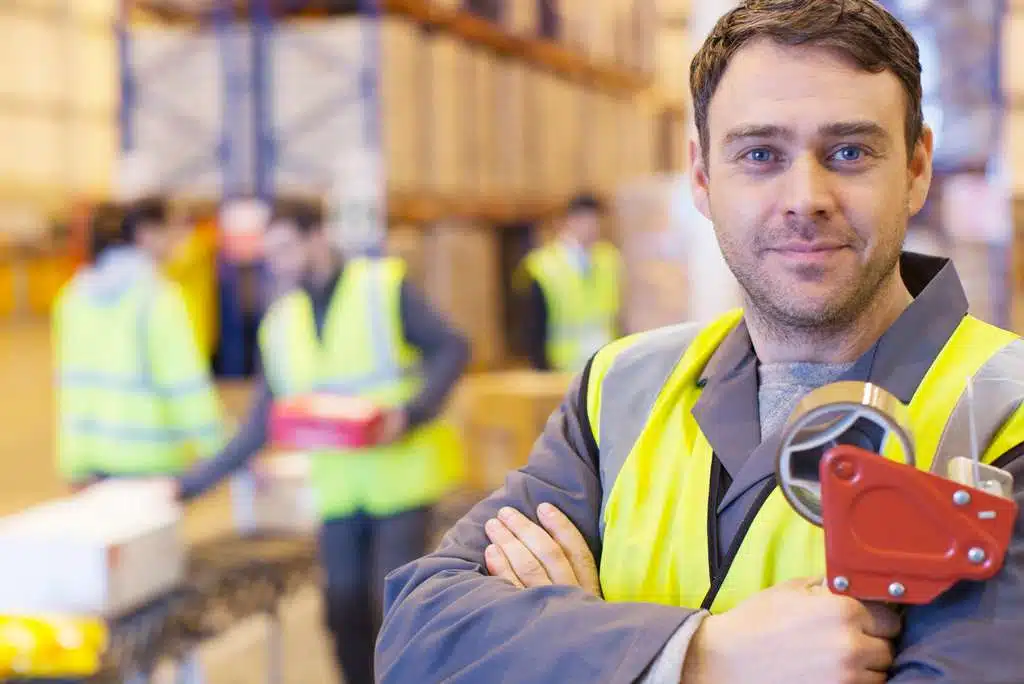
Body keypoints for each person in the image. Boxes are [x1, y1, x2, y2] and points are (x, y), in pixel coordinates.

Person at [375, 1, 1024, 682]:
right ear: (703, 176)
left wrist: (584, 645)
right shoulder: (621, 389)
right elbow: (422, 640)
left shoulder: (1001, 417)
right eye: (760, 154)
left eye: (849, 152)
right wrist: (701, 657)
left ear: (917, 167)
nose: (805, 196)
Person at [174, 197, 470, 684]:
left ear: (317, 237)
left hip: (400, 480)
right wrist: (187, 486)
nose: (279, 263)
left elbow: (452, 348)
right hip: (337, 489)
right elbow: (258, 426)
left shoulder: (381, 289)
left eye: (287, 248)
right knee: (342, 607)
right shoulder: (281, 324)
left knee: (393, 606)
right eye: (272, 254)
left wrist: (410, 413)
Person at [53, 197, 224, 490]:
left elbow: (71, 388)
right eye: (173, 229)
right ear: (146, 233)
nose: (179, 240)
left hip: (93, 466)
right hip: (152, 465)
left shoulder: (73, 298)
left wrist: (73, 462)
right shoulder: (157, 299)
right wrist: (218, 451)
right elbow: (185, 386)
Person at [517, 193, 623, 372]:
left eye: (596, 221)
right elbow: (534, 328)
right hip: (563, 368)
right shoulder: (544, 266)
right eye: (585, 220)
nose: (592, 227)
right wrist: (541, 370)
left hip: (604, 366)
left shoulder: (609, 260)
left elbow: (616, 317)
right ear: (569, 221)